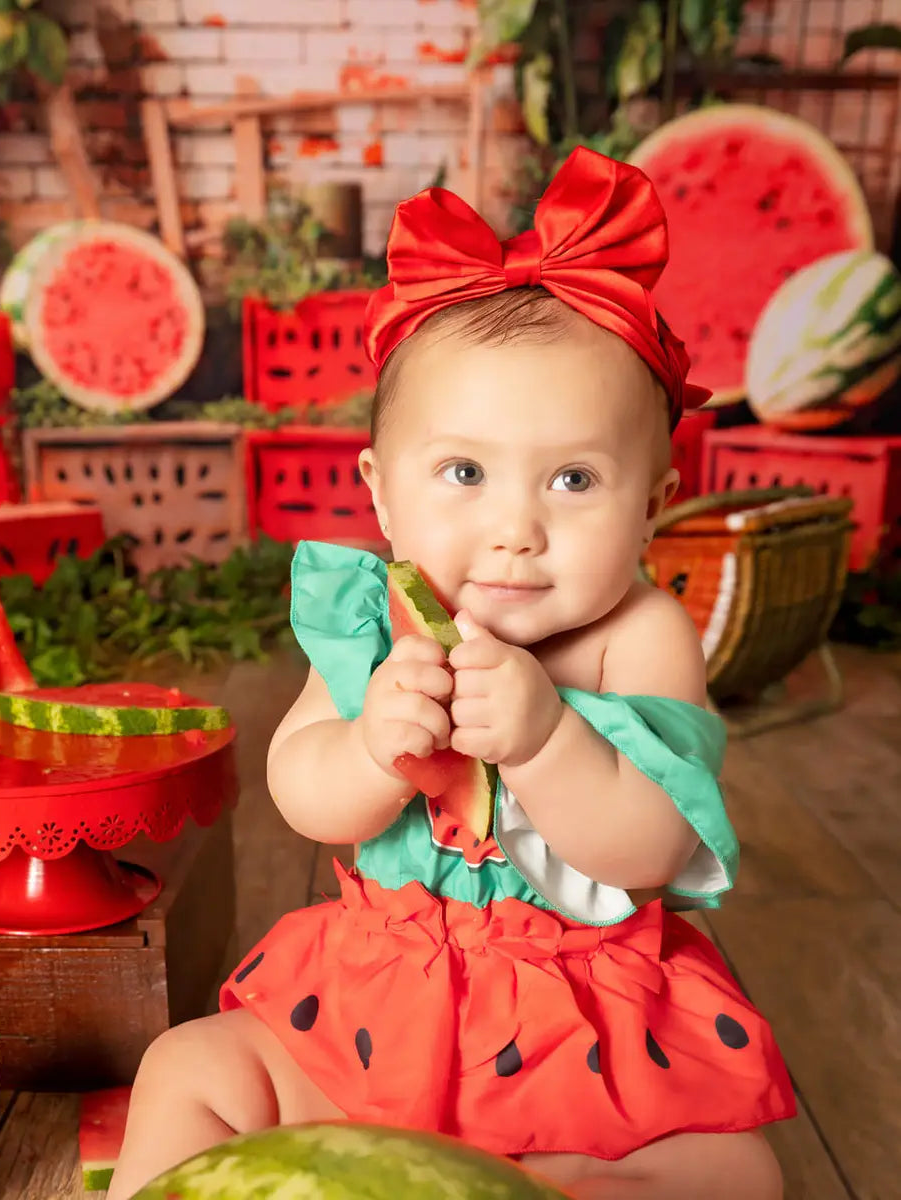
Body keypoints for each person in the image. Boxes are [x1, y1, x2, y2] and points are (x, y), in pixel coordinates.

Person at [107, 147, 795, 1200]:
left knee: (734, 1171)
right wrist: (370, 743)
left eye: (573, 479)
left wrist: (547, 739)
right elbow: (304, 792)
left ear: (652, 503)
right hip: (373, 1017)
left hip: (587, 1044)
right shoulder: (372, 616)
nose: (515, 530)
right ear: (382, 495)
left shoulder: (640, 633)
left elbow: (652, 851)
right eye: (464, 473)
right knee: (187, 1069)